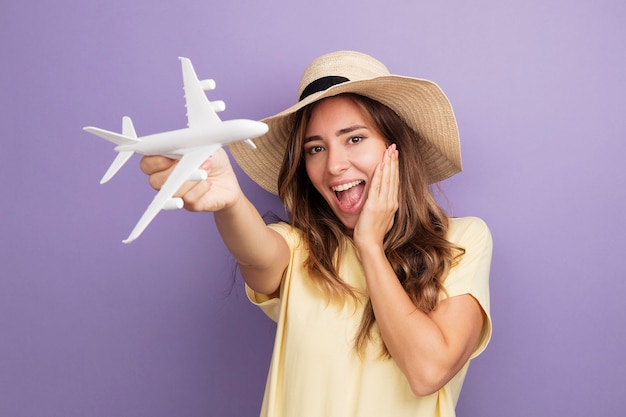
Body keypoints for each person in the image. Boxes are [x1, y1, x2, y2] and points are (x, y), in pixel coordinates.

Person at [140, 50, 492, 417]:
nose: (335, 165)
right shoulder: (300, 250)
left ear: (396, 149)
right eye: (316, 148)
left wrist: (370, 246)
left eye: (354, 139)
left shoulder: (462, 242)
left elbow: (428, 371)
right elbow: (257, 253)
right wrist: (230, 203)